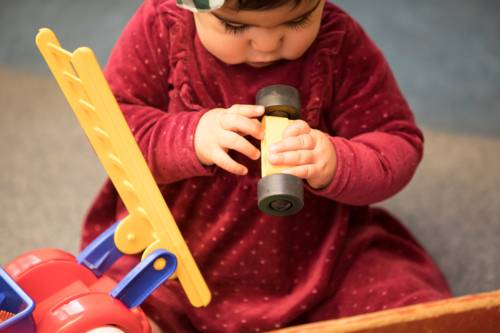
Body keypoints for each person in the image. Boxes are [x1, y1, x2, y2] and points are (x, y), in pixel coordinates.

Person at [81, 0, 451, 332]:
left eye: (298, 20)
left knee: (404, 304)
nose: (267, 44)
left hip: (319, 258)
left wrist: (337, 162)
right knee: (116, 306)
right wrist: (190, 135)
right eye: (236, 27)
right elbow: (111, 125)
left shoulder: (338, 44)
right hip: (173, 258)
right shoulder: (163, 26)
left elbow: (397, 139)